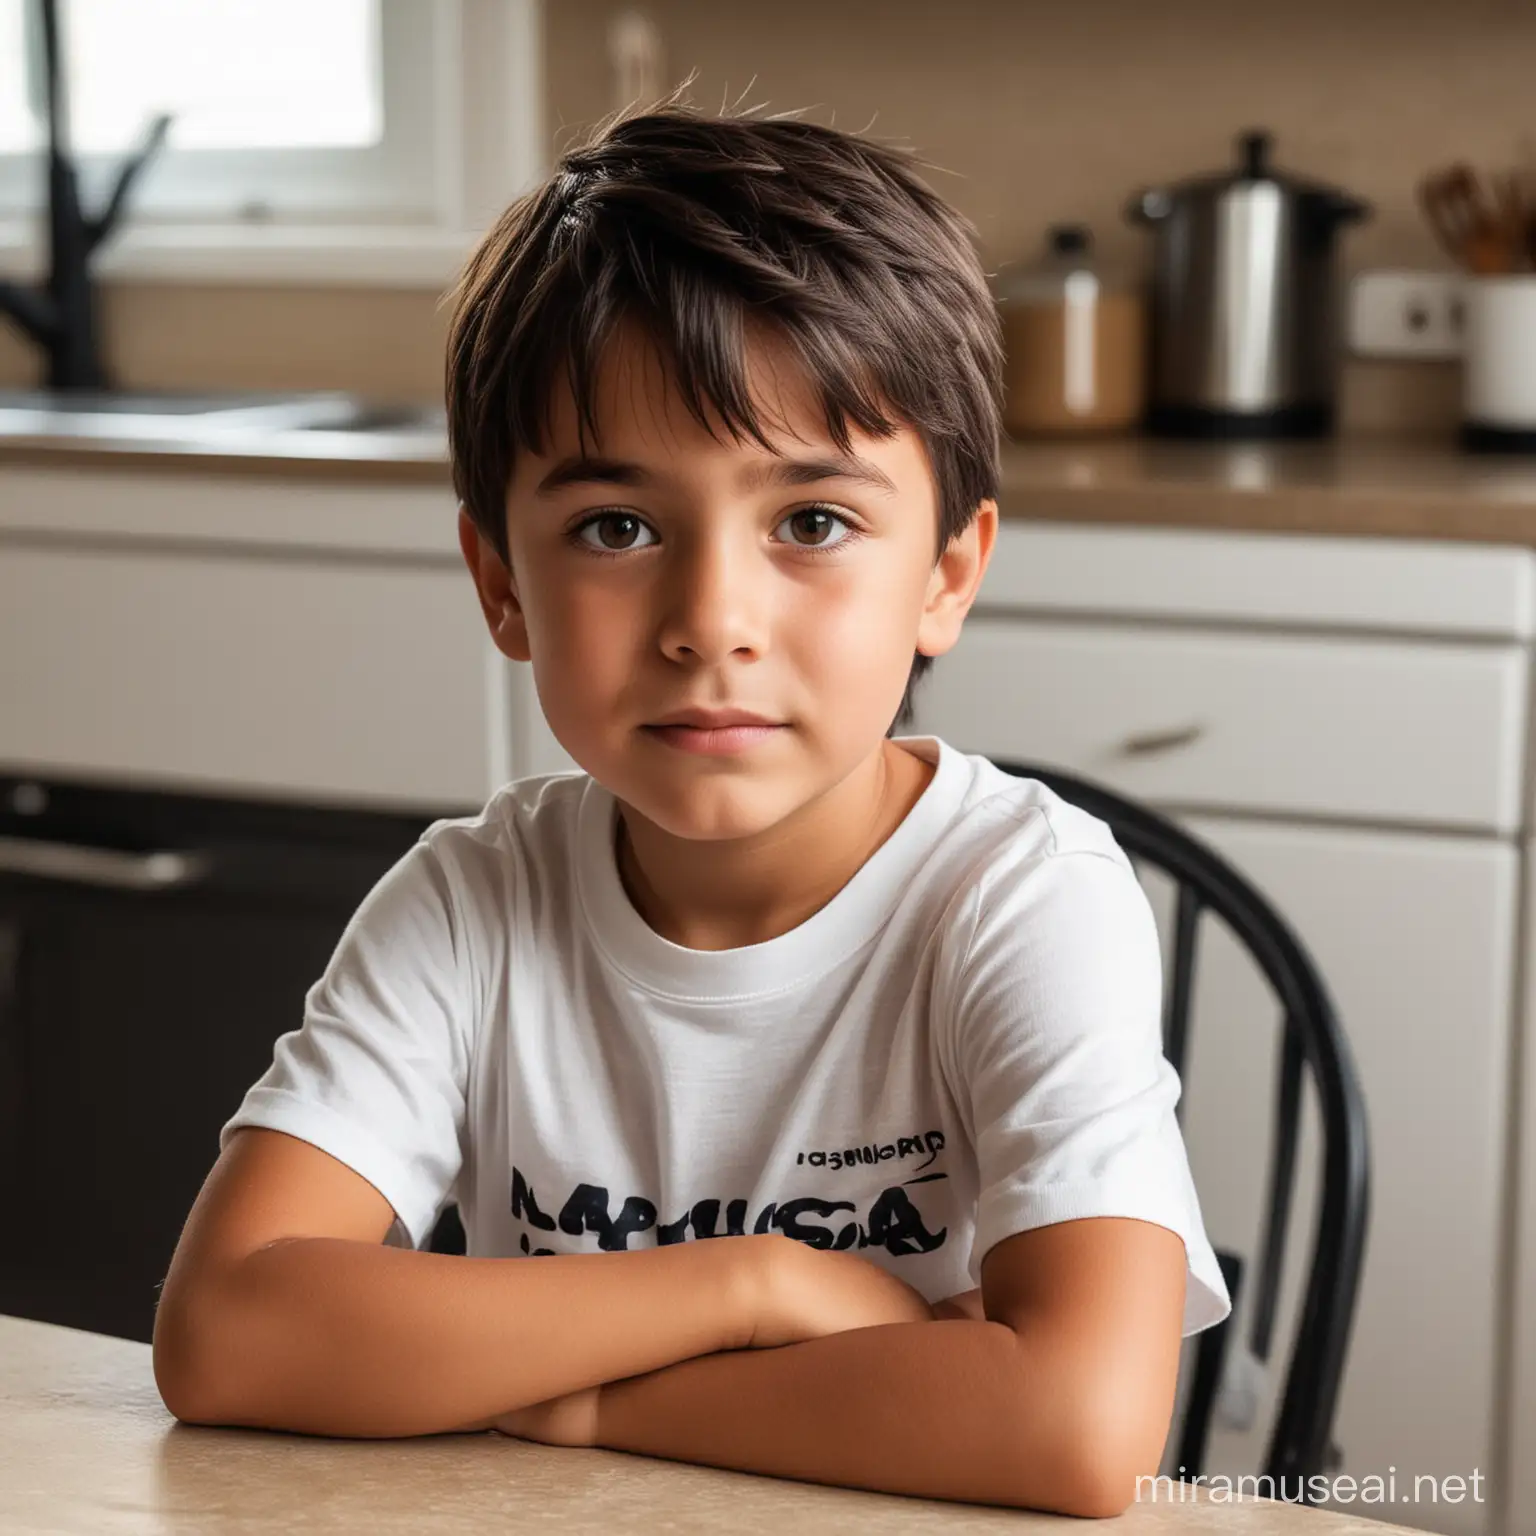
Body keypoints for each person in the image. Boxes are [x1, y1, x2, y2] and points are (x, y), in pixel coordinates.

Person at [151, 98, 1230, 1518]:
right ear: (501, 585)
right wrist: (757, 1285)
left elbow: (1078, 1431)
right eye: (618, 527)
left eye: (813, 523)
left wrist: (576, 1395)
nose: (710, 621)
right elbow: (230, 1334)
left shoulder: (1021, 898)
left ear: (946, 577)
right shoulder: (476, 900)